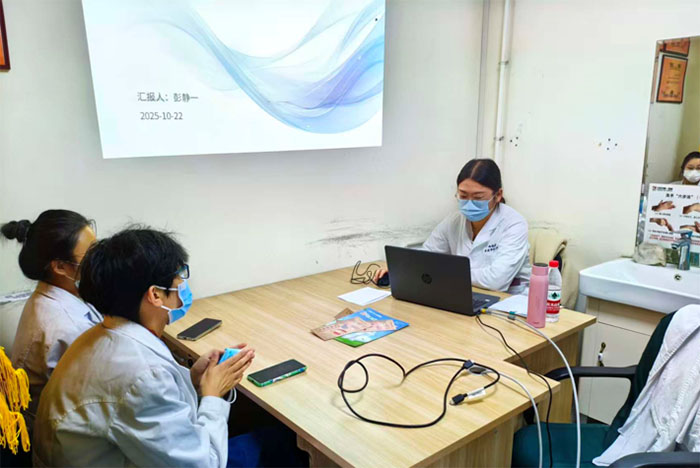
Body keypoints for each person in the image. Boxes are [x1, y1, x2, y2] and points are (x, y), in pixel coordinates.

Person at [33, 228, 306, 468]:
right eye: (178, 283)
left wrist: (193, 380)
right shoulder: (141, 375)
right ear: (155, 295)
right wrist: (212, 396)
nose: (182, 290)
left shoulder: (102, 335)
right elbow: (205, 464)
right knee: (282, 444)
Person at [1, 209, 101, 429]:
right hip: (58, 431)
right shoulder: (67, 327)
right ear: (60, 267)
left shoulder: (53, 294)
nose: (99, 260)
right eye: (90, 254)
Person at [375, 159, 531, 293]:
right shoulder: (454, 221)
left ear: (497, 195)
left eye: (478, 197)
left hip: (508, 300)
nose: (469, 203)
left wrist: (444, 272)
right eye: (463, 195)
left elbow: (496, 280)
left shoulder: (514, 224)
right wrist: (402, 267)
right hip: (465, 292)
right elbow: (428, 255)